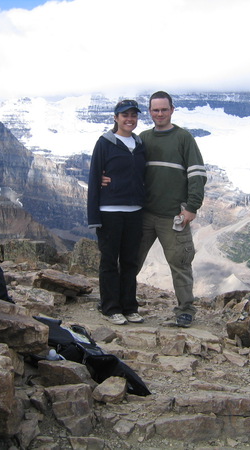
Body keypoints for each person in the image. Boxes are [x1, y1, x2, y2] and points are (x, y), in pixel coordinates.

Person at [138, 91, 207, 328]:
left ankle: (185, 310)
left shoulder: (184, 138)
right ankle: (119, 302)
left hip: (174, 216)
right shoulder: (143, 138)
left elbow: (197, 174)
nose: (159, 114)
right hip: (144, 214)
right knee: (130, 260)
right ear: (150, 112)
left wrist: (192, 207)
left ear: (172, 110)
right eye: (155, 110)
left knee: (180, 264)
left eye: (164, 109)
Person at [87, 99, 146, 325]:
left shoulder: (139, 144)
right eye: (125, 115)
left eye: (133, 115)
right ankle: (110, 307)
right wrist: (94, 217)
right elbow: (94, 179)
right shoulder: (104, 143)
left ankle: (130, 307)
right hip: (110, 211)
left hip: (135, 211)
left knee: (130, 261)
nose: (129, 119)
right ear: (116, 118)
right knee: (110, 261)